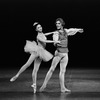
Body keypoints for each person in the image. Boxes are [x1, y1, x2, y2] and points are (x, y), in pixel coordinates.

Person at [10, 22, 60, 93]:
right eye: (38, 28)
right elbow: (45, 40)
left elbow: (45, 34)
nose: (40, 28)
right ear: (36, 30)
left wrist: (52, 32)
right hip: (36, 51)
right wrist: (55, 41)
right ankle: (16, 75)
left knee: (35, 70)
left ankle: (34, 85)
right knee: (27, 64)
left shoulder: (42, 34)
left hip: (41, 52)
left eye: (40, 26)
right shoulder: (38, 36)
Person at [39, 18, 83, 92]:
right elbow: (55, 41)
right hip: (58, 53)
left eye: (59, 23)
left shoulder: (65, 31)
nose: (57, 25)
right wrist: (56, 42)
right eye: (56, 23)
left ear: (62, 24)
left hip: (65, 53)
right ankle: (44, 84)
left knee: (63, 71)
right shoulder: (56, 33)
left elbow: (72, 30)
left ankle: (62, 88)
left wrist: (79, 30)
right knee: (52, 69)